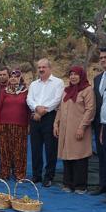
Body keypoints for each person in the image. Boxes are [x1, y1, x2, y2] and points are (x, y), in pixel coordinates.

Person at [53, 66, 95, 194]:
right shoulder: (66, 91)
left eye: (75, 74)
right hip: (66, 130)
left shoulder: (87, 90)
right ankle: (68, 184)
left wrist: (82, 127)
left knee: (79, 157)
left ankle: (80, 186)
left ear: (81, 75)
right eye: (70, 74)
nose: (73, 77)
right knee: (67, 156)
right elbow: (60, 109)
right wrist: (56, 124)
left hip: (78, 130)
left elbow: (90, 110)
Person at [27, 58, 64, 187]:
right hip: (35, 117)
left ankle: (49, 176)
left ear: (50, 68)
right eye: (39, 67)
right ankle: (36, 175)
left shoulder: (58, 82)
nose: (41, 69)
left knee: (50, 149)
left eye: (44, 67)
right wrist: (37, 108)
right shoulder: (33, 84)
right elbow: (29, 99)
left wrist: (43, 110)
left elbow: (57, 99)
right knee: (35, 148)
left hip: (50, 117)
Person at [0, 69, 30, 180]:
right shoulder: (4, 91)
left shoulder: (26, 91)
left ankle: (19, 174)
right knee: (4, 150)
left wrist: (29, 124)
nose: (14, 78)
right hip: (4, 125)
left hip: (21, 126)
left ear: (20, 78)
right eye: (12, 76)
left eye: (16, 76)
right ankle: (4, 173)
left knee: (19, 150)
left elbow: (29, 109)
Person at [91, 46, 106, 195]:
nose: (103, 60)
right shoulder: (97, 78)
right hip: (100, 124)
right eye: (101, 58)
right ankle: (103, 185)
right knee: (103, 155)